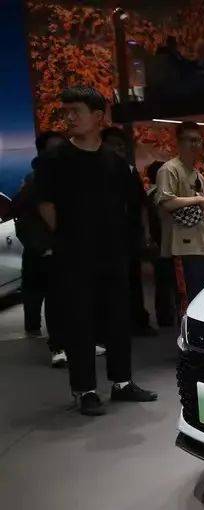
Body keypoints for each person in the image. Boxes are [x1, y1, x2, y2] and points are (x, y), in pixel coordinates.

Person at [35, 86, 157, 415]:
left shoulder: (115, 162)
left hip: (113, 254)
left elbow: (132, 204)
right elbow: (45, 205)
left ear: (98, 116)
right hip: (73, 256)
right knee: (80, 322)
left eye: (76, 111)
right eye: (66, 111)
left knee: (118, 318)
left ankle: (122, 382)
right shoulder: (54, 160)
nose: (69, 117)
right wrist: (69, 236)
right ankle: (85, 389)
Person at [11, 131, 67, 366]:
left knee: (74, 297)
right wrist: (44, 247)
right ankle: (58, 346)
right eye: (54, 149)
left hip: (71, 247)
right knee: (53, 297)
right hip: (49, 249)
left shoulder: (69, 176)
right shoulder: (35, 181)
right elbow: (23, 218)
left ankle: (78, 341)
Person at [155, 122, 204, 314]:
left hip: (203, 246)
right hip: (181, 248)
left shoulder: (199, 175)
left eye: (198, 140)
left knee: (203, 300)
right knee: (187, 302)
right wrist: (198, 200)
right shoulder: (169, 169)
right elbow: (166, 202)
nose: (195, 145)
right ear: (179, 143)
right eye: (189, 140)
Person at [101, 126, 157, 337]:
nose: (118, 150)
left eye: (121, 146)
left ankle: (138, 320)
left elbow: (141, 205)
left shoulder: (130, 171)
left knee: (133, 278)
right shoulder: (96, 173)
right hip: (105, 236)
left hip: (129, 233)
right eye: (113, 145)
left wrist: (146, 233)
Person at [144, 160, 176, 327]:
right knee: (169, 280)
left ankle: (165, 315)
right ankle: (169, 314)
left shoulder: (149, 194)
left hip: (158, 242)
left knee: (162, 281)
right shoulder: (161, 194)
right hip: (166, 241)